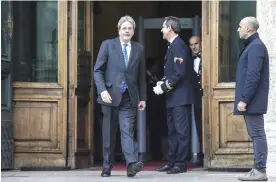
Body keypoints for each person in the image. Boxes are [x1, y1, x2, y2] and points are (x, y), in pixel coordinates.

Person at [93, 15, 147, 178]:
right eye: (124, 28)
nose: (127, 31)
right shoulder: (108, 45)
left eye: (130, 28)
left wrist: (142, 97)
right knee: (109, 133)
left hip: (129, 97)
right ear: (119, 30)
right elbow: (98, 70)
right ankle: (107, 166)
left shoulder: (139, 48)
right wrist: (102, 90)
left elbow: (141, 76)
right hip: (109, 96)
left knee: (127, 131)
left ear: (133, 31)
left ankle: (131, 164)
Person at [153, 16, 195, 174]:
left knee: (181, 131)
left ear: (169, 28)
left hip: (180, 96)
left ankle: (181, 163)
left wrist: (164, 86)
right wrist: (162, 81)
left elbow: (179, 73)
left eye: (163, 27)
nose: (161, 30)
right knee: (172, 131)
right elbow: (171, 72)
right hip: (173, 97)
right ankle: (171, 161)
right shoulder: (172, 46)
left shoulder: (178, 46)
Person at [234, 16, 269, 181]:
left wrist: (244, 99)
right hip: (251, 100)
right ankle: (257, 169)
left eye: (240, 26)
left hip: (253, 101)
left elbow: (253, 76)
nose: (238, 29)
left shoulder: (255, 47)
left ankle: (260, 171)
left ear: (248, 28)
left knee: (257, 134)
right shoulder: (252, 46)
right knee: (255, 134)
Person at [189, 35, 204, 165]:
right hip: (196, 98)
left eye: (196, 44)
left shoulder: (208, 56)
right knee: (199, 125)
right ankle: (203, 154)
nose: (194, 47)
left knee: (209, 124)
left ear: (201, 44)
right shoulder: (189, 60)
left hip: (208, 96)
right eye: (191, 44)